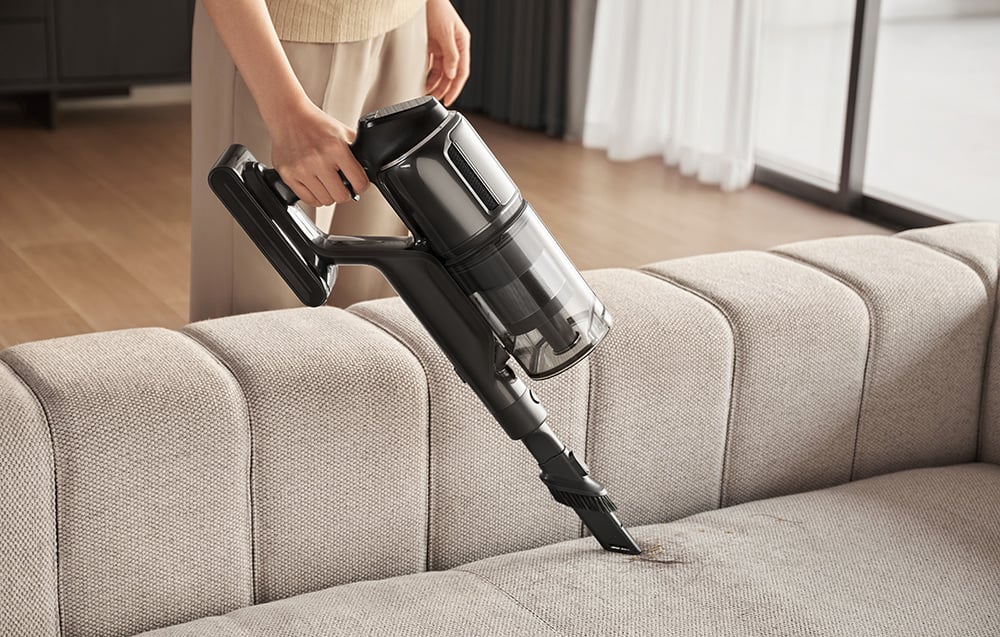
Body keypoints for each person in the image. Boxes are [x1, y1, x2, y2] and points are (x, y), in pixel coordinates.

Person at [190, 0, 471, 321]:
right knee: (264, 320)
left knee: (373, 306)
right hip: (282, 41)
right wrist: (287, 114)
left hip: (406, 26)